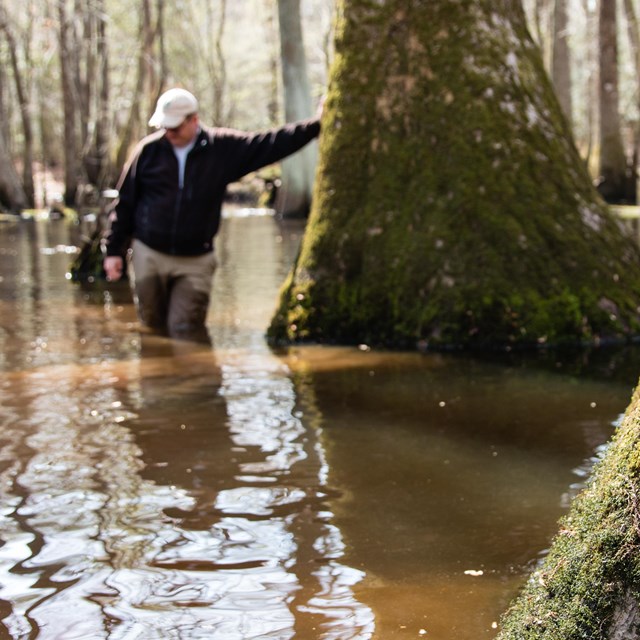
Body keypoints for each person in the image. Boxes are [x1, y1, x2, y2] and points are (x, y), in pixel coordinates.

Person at [104, 87, 321, 342]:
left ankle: (195, 380)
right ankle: (157, 381)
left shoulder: (221, 149)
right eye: (164, 127)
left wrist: (315, 126)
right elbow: (126, 202)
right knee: (152, 327)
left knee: (185, 328)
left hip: (195, 260)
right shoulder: (148, 151)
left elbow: (270, 144)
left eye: (174, 127)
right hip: (149, 254)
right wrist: (113, 251)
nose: (168, 133)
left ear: (194, 120)